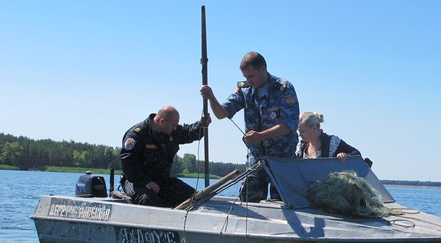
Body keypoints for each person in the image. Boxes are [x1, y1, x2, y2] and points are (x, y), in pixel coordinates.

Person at [200, 51, 299, 202]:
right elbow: (222, 114)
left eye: (251, 76)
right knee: (248, 202)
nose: (248, 80)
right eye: (246, 77)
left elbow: (289, 125)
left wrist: (260, 136)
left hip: (282, 158)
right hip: (256, 158)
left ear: (263, 69)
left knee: (282, 202)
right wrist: (211, 97)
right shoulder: (244, 90)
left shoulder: (283, 88)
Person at [120, 105, 211, 207]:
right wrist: (145, 181)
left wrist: (201, 125)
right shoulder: (137, 135)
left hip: (162, 181)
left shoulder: (172, 131)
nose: (175, 128)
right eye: (173, 125)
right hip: (136, 181)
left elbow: (189, 132)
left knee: (195, 198)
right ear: (162, 121)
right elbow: (128, 162)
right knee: (149, 201)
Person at [295, 112, 360, 163]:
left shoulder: (332, 142)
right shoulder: (301, 147)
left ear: (314, 129)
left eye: (303, 132)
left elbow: (357, 154)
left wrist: (346, 156)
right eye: (299, 131)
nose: (299, 135)